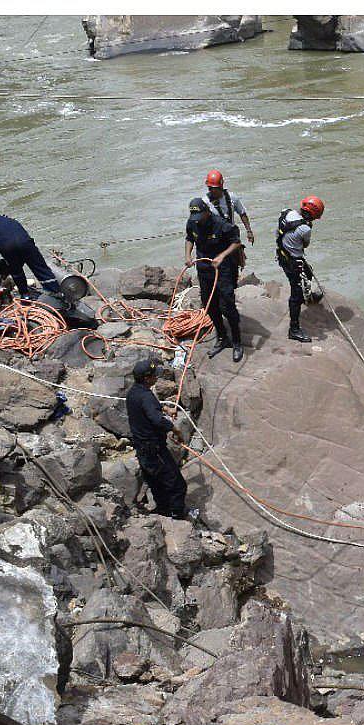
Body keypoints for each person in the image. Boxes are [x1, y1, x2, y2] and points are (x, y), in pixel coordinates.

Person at [126, 358, 197, 522]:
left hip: (142, 450)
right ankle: (177, 518)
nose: (156, 378)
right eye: (153, 376)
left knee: (157, 485)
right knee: (177, 485)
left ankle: (163, 513)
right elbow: (157, 420)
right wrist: (175, 429)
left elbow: (148, 407)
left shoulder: (134, 393)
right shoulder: (146, 397)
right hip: (154, 450)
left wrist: (164, 407)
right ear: (146, 378)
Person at [184, 197, 245, 362]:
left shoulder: (221, 224)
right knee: (209, 305)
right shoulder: (193, 223)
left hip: (223, 268)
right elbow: (190, 238)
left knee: (227, 305)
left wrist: (222, 256)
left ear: (207, 212)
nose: (198, 221)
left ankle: (237, 341)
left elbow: (236, 242)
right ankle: (222, 337)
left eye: (200, 216)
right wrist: (188, 255)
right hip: (204, 269)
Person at [0, 213, 61, 297]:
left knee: (16, 271)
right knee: (40, 267)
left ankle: (25, 294)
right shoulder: (10, 221)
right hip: (26, 242)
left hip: (7, 246)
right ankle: (56, 292)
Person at [275, 195, 324, 343]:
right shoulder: (305, 228)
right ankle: (294, 329)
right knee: (295, 294)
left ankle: (307, 297)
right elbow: (305, 245)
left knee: (307, 273)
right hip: (292, 261)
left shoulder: (286, 212)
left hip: (283, 253)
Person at [204, 170, 255, 245]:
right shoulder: (205, 202)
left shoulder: (232, 197)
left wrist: (249, 231)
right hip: (216, 238)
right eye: (210, 188)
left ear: (221, 186)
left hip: (231, 236)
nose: (213, 191)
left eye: (215, 188)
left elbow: (242, 213)